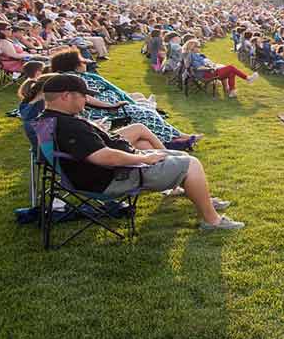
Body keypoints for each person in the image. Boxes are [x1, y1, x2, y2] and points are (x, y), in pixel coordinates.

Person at [35, 74, 243, 230]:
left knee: (178, 156)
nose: (86, 100)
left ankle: (201, 197)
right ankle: (212, 220)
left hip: (98, 175)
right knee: (191, 163)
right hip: (113, 178)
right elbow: (104, 157)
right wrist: (144, 158)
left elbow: (92, 150)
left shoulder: (48, 119)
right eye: (84, 96)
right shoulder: (69, 126)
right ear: (66, 96)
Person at [182, 39, 257, 97]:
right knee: (231, 67)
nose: (199, 47)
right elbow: (198, 67)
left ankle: (232, 91)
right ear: (192, 47)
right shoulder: (192, 55)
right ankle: (247, 78)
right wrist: (210, 68)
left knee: (231, 72)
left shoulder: (196, 54)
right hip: (206, 74)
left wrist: (212, 65)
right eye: (198, 46)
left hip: (210, 71)